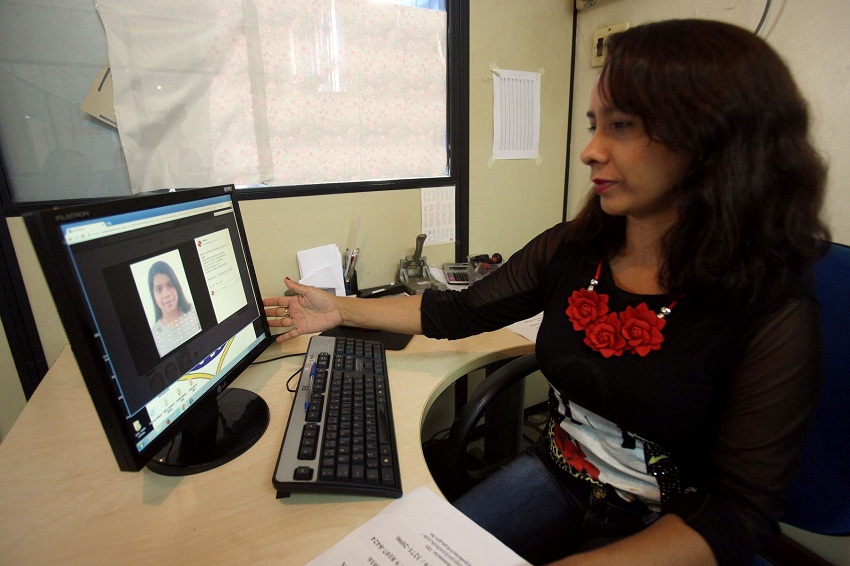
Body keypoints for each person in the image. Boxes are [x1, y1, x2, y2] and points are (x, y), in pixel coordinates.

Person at [263, 19, 830, 565]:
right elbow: (457, 309)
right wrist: (338, 308)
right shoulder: (576, 247)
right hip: (563, 472)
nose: (591, 151)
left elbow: (735, 518)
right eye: (594, 125)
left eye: (623, 125)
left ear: (714, 139)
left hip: (671, 525)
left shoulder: (772, 307)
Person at [148, 260, 202, 357]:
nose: (167, 294)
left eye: (170, 285)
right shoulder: (153, 336)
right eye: (159, 289)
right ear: (153, 295)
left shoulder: (195, 312)